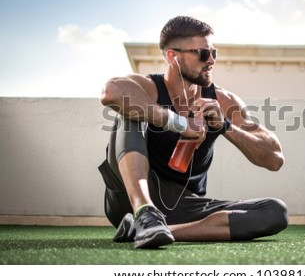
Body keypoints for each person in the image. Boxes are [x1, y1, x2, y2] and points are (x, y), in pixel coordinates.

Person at [98, 16, 288, 249]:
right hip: (129, 196)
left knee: (274, 211)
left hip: (183, 205)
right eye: (202, 54)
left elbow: (275, 159)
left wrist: (224, 125)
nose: (211, 61)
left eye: (214, 53)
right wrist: (179, 123)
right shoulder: (150, 87)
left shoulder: (223, 100)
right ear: (172, 56)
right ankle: (145, 213)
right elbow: (111, 92)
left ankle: (155, 229)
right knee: (129, 109)